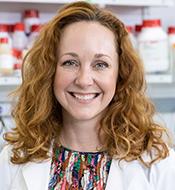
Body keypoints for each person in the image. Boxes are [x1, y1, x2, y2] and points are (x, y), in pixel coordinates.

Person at [0, 1, 175, 190]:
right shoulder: (13, 159)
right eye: (70, 62)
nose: (84, 80)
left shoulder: (157, 164)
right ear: (50, 71)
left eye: (100, 64)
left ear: (120, 74)